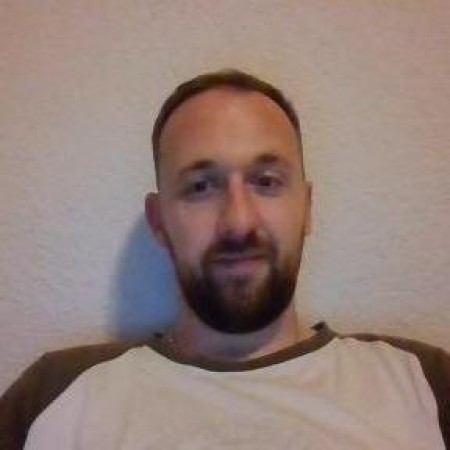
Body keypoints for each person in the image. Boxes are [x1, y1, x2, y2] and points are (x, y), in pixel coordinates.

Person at [0, 69, 448, 449]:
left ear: (307, 207)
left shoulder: (422, 384)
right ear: (159, 221)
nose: (238, 221)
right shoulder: (54, 396)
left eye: (266, 181)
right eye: (201, 187)